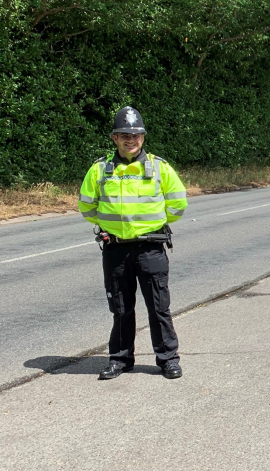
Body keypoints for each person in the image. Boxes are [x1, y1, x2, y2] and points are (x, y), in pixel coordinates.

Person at [78, 106, 188, 380]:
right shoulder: (100, 169)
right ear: (114, 138)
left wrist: (154, 225)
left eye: (136, 135)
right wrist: (109, 227)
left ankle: (167, 359)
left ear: (143, 137)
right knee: (121, 309)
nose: (131, 139)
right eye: (125, 134)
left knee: (159, 307)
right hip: (115, 248)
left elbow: (178, 204)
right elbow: (86, 206)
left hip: (150, 247)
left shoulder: (159, 167)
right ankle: (120, 359)